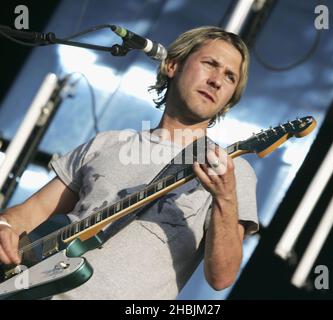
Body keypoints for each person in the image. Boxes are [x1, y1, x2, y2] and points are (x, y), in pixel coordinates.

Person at [0, 26, 258, 299]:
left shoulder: (229, 168)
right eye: (210, 64)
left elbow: (222, 277)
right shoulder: (107, 143)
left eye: (230, 77)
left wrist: (226, 198)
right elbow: (30, 213)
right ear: (172, 65)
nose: (217, 80)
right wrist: (5, 227)